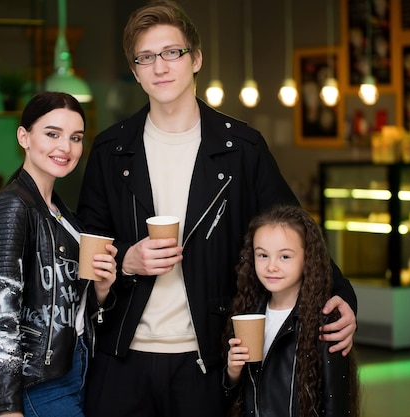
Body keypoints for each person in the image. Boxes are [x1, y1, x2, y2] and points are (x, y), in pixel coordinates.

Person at [76, 2, 357, 416]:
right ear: (135, 71)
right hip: (122, 360)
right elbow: (87, 249)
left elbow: (294, 232)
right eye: (146, 58)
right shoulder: (111, 150)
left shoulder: (241, 149)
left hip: (207, 360)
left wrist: (342, 295)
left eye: (172, 52)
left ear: (196, 59)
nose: (160, 66)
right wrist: (127, 260)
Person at [0, 91, 118, 417]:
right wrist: (8, 407)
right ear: (24, 136)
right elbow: (2, 317)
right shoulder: (13, 207)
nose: (65, 147)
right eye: (52, 134)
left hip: (76, 364)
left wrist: (102, 288)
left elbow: (72, 302)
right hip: (39, 381)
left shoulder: (59, 211)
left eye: (75, 137)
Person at [224, 205, 359, 417]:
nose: (271, 266)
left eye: (284, 257)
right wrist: (232, 373)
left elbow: (336, 404)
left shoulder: (326, 320)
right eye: (262, 255)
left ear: (308, 259)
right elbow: (236, 400)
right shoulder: (249, 311)